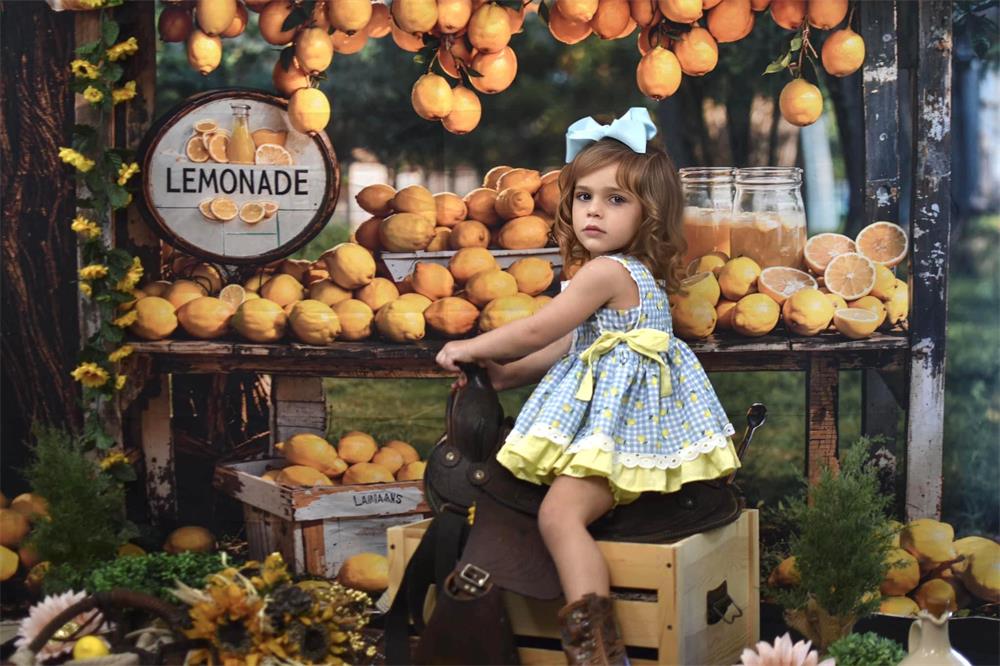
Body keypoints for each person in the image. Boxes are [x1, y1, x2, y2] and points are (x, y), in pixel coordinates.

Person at [436, 107, 741, 665]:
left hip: (620, 431)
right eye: (584, 197)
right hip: (623, 423)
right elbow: (566, 347)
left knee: (559, 515)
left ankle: (597, 651)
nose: (594, 211)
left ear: (648, 214)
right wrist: (506, 375)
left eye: (616, 200)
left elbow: (539, 327)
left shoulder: (605, 274)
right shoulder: (626, 274)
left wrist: (472, 348)